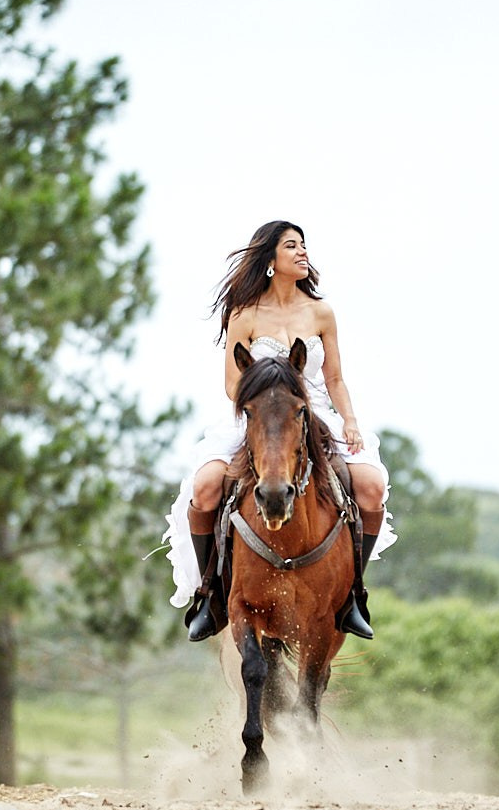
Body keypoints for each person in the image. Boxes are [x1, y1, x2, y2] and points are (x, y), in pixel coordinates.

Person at [165, 220, 393, 642]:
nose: (303, 252)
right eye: (292, 246)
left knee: (372, 487)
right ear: (271, 259)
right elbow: (233, 384)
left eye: (304, 245)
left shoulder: (321, 312)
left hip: (316, 411)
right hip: (256, 413)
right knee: (206, 488)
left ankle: (354, 597)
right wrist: (266, 395)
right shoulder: (245, 314)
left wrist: (351, 422)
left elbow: (335, 378)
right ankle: (210, 595)